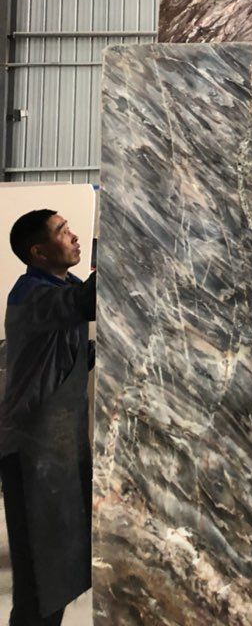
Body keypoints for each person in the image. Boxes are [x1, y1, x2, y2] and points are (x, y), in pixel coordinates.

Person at [0, 210, 96, 625]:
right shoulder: (31, 295)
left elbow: (72, 356)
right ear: (39, 252)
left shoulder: (64, 287)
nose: (74, 237)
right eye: (63, 231)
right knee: (39, 585)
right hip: (29, 453)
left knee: (59, 575)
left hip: (58, 451)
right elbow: (85, 303)